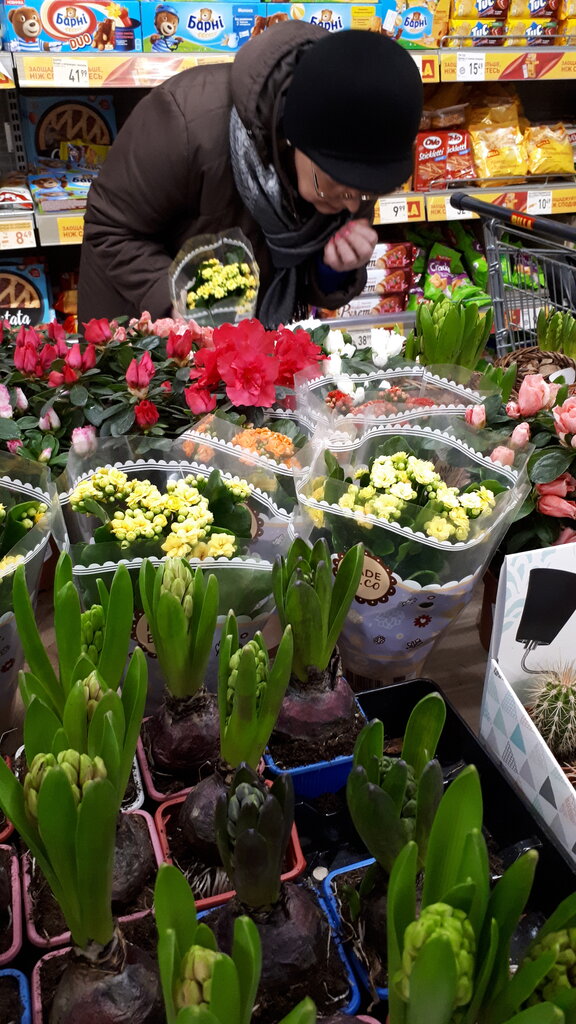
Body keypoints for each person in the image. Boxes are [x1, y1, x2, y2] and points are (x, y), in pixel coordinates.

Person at [78, 23, 422, 329]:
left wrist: (333, 269)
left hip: (245, 342)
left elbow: (308, 281)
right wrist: (177, 301)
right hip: (139, 330)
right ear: (293, 135)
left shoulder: (357, 157)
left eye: (364, 193)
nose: (350, 201)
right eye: (335, 182)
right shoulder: (185, 120)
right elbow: (110, 228)